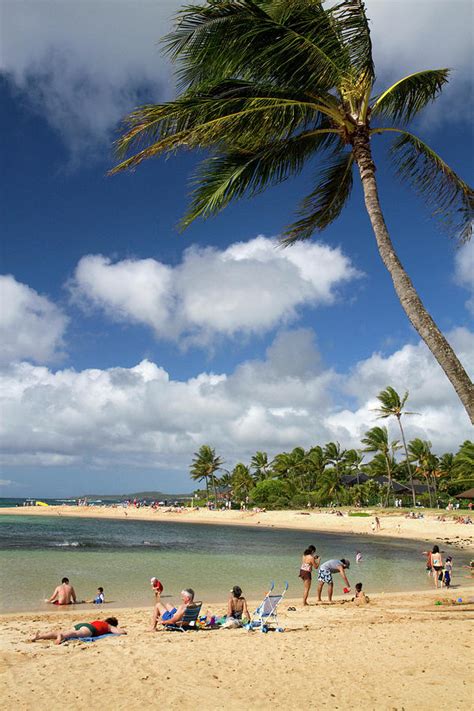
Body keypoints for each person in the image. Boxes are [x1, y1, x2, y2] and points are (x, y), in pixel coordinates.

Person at [30, 617, 126, 645]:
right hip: (90, 629)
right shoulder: (108, 626)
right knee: (75, 634)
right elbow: (121, 632)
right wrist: (116, 629)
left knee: (66, 631)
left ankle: (40, 636)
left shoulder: (99, 621)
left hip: (83, 624)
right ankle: (62, 637)